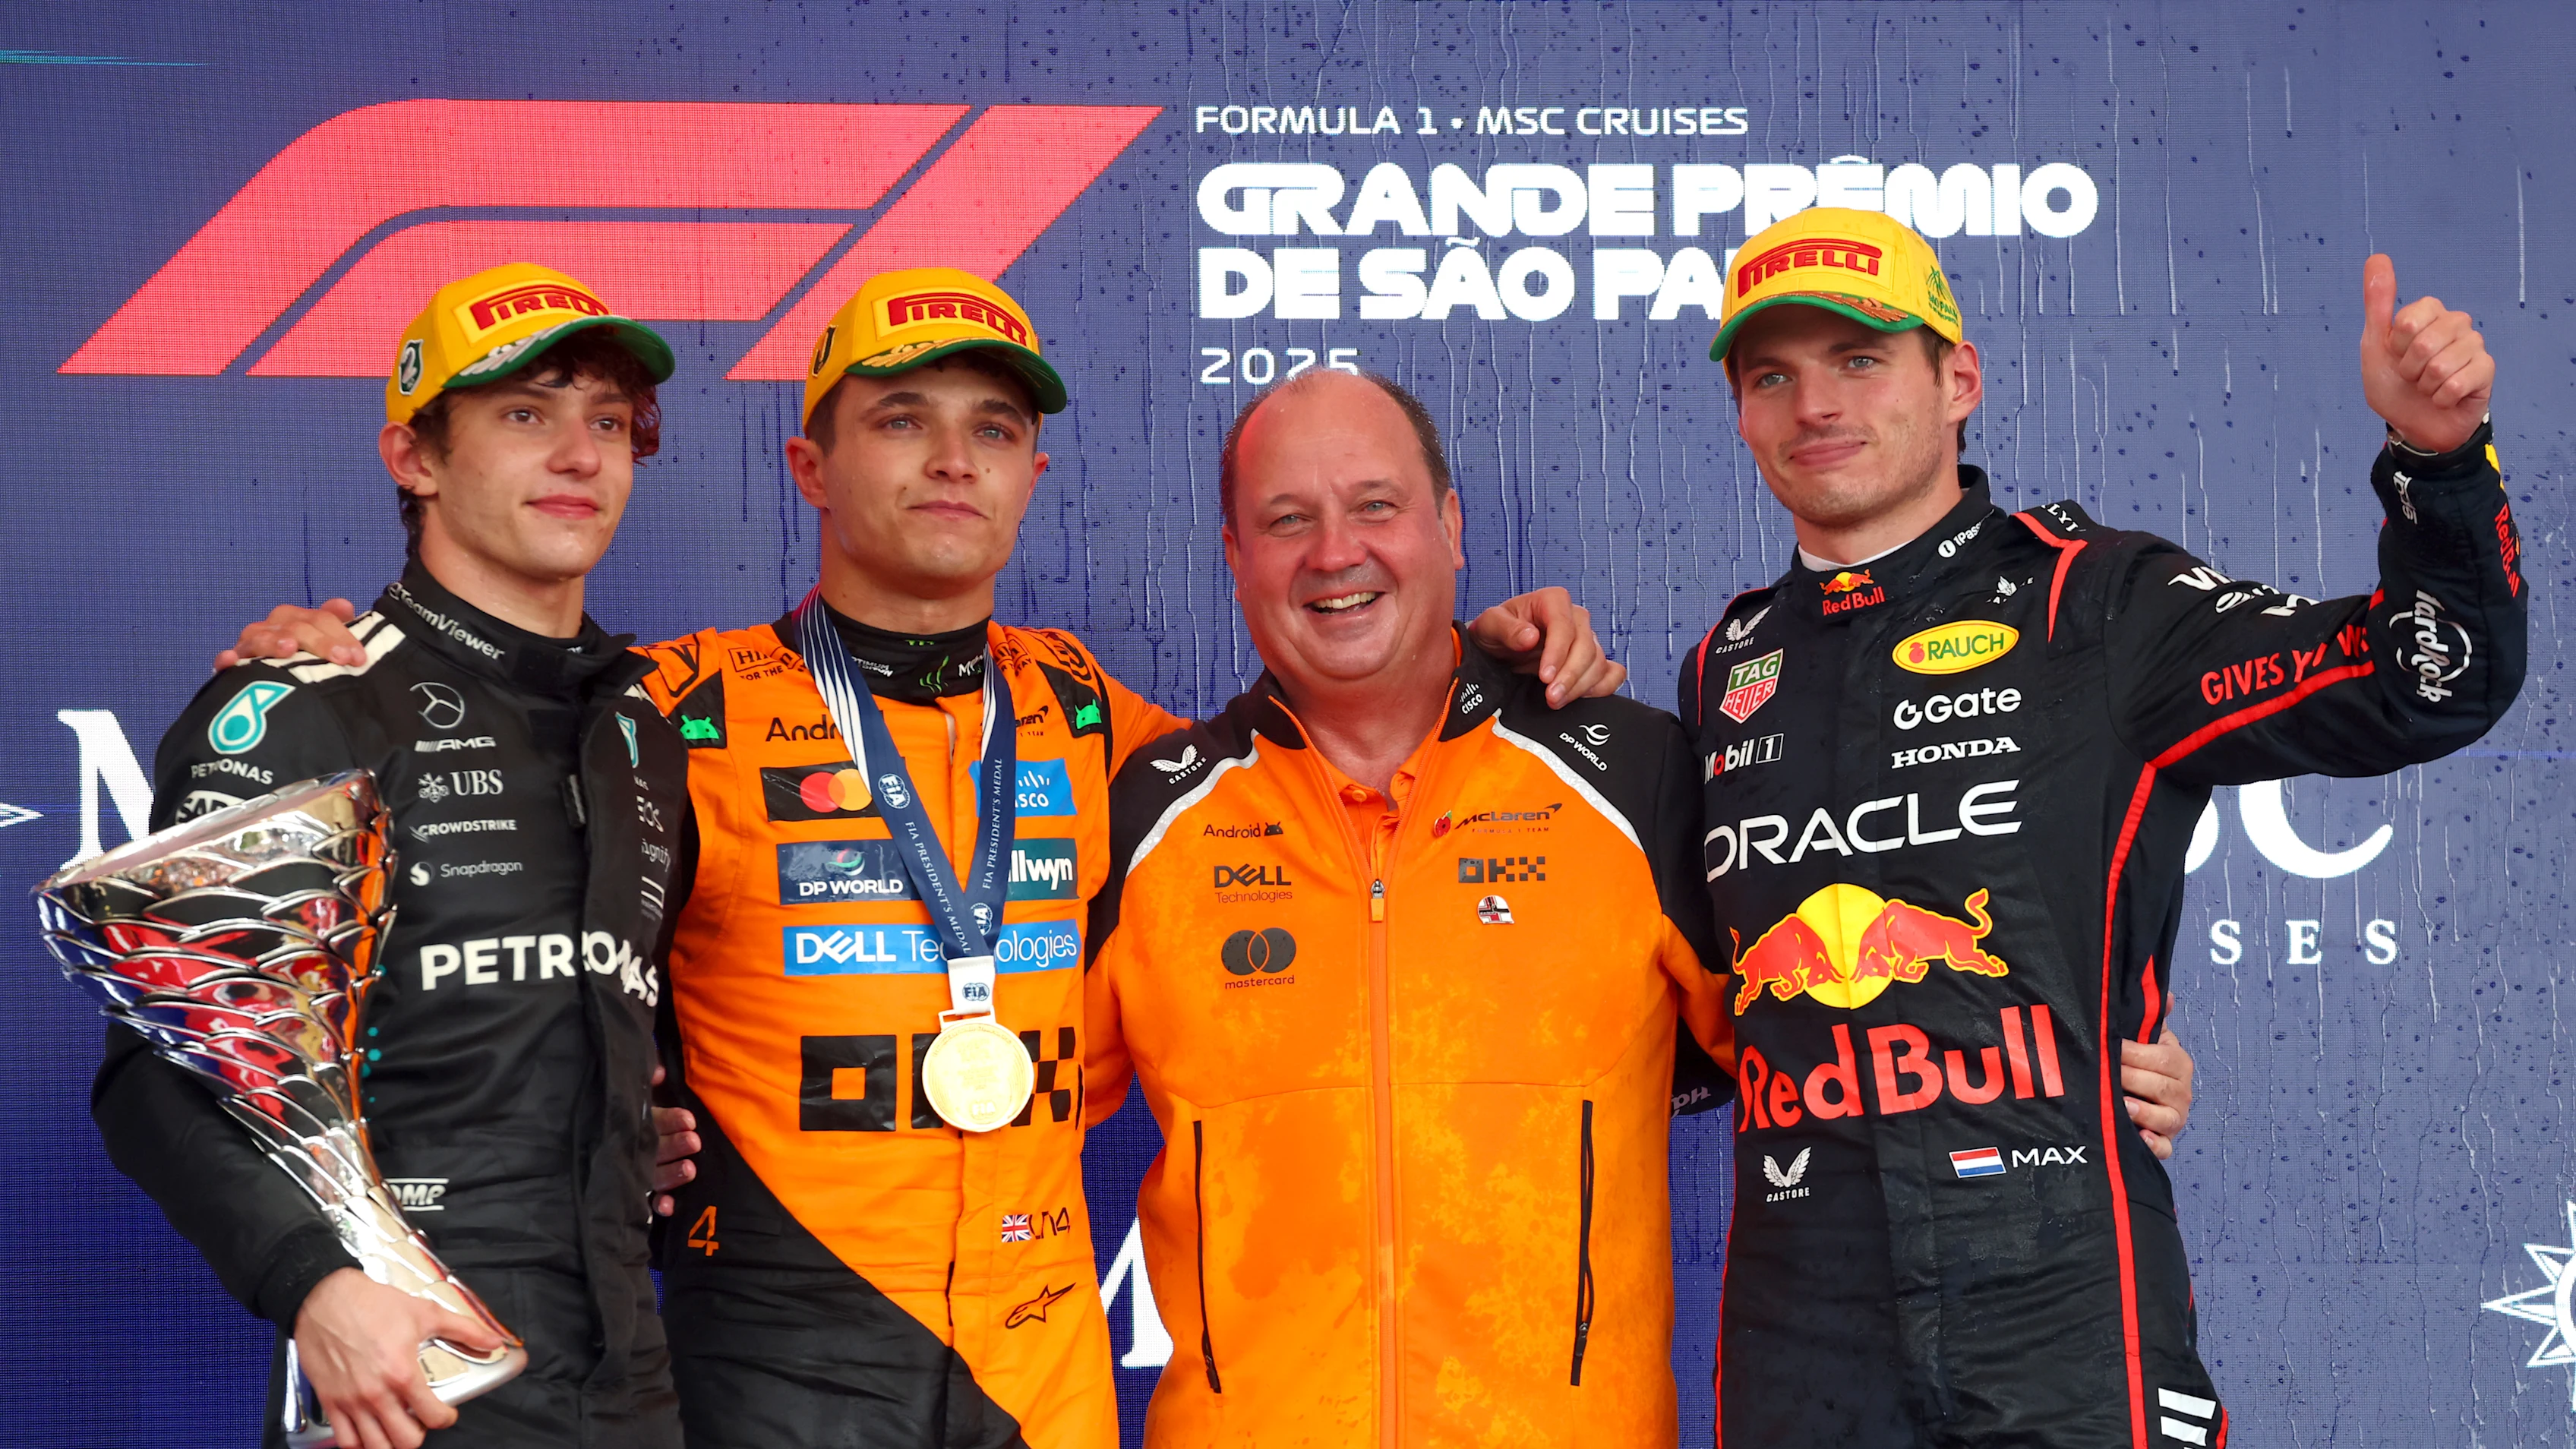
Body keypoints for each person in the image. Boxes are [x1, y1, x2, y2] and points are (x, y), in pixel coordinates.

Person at [227, 266, 1618, 1448]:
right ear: (811, 469)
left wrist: (1481, 664)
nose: (955, 459)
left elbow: (1339, 752)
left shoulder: (1099, 719)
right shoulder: (670, 706)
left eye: (993, 428)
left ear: (1033, 474)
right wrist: (326, 660)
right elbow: (476, 771)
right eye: (903, 420)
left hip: (1047, 1360)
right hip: (777, 1350)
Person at [1075, 368, 2199, 1447]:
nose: (1336, 552)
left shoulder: (1630, 774)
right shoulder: (1149, 816)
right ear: (1232, 554)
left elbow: (1822, 1027)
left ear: (1451, 527)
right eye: (1285, 519)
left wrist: (2066, 1062)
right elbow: (1012, 1116)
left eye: (1377, 505)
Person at [1681, 207, 2524, 1447]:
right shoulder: (1722, 666)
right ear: (1744, 415)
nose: (1815, 404)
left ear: (1957, 378)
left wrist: (2439, 463)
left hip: (2064, 1317)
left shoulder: (2102, 601)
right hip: (1804, 1338)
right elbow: (1670, 1001)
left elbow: (2426, 684)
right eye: (1773, 376)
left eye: (1859, 359)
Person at [97, 264, 694, 1449]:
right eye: (527, 413)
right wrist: (316, 1285)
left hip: (625, 1377)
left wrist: (638, 1126)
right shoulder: (306, 707)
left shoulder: (641, 729)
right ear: (415, 459)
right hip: (407, 1380)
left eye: (609, 422)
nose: (580, 453)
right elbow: (155, 1072)